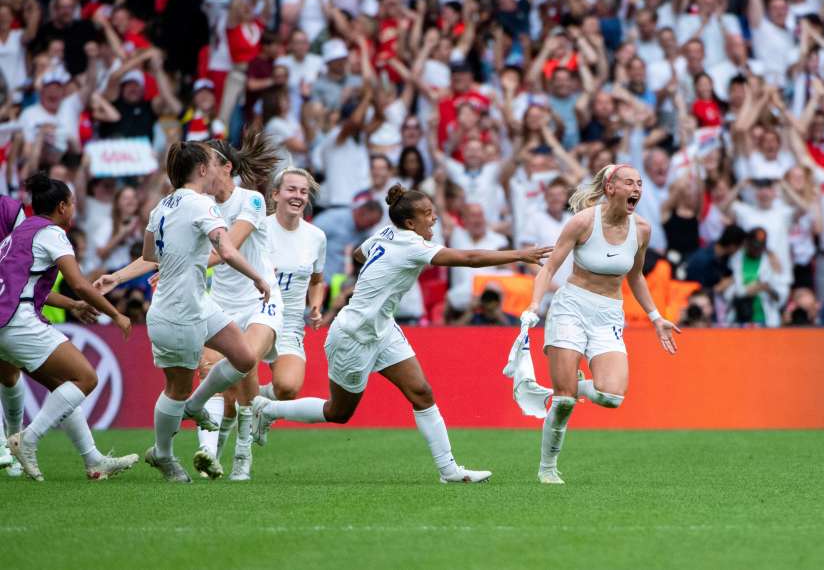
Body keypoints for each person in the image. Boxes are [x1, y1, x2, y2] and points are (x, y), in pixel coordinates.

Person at [251, 184, 551, 483]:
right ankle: (268, 409)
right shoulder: (411, 245)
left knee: (421, 392)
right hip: (353, 336)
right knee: (339, 412)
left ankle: (449, 470)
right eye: (428, 214)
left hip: (383, 328)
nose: (433, 219)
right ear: (410, 223)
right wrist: (519, 254)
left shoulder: (385, 233)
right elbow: (469, 258)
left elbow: (359, 253)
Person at [523, 164, 680, 485]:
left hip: (609, 313)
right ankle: (548, 467)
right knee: (565, 402)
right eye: (629, 183)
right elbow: (550, 267)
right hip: (571, 307)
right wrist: (534, 306)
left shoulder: (642, 229)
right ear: (610, 188)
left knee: (612, 396)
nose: (636, 188)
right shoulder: (583, 222)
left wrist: (656, 317)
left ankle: (569, 383)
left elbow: (635, 277)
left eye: (640, 183)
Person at [142, 141, 272, 483]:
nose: (215, 169)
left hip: (199, 302)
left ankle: (197, 406)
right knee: (176, 389)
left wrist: (120, 276)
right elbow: (226, 250)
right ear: (202, 169)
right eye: (211, 164)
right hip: (177, 311)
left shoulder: (162, 206)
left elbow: (148, 254)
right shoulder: (202, 204)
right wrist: (258, 276)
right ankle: (164, 455)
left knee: (244, 358)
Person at [0, 175, 136, 481]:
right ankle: (27, 439)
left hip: (4, 322)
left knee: (63, 385)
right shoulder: (52, 233)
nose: (73, 208)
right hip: (17, 321)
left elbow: (29, 288)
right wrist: (115, 315)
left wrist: (73, 306)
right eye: (72, 203)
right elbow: (79, 283)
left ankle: (94, 461)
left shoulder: (17, 235)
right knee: (85, 378)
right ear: (62, 207)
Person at [257, 168, 326, 405]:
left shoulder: (316, 237)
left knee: (287, 388)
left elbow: (317, 280)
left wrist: (315, 306)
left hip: (290, 322)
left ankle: (257, 402)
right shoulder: (257, 230)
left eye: (304, 192)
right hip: (254, 317)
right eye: (292, 189)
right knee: (232, 383)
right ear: (276, 194)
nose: (298, 196)